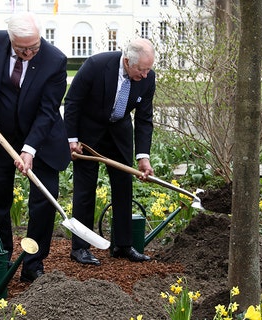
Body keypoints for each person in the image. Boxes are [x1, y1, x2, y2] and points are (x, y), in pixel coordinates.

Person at [0, 11, 70, 283]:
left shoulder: (55, 60)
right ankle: (0, 254)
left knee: (42, 204)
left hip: (42, 140)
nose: (31, 53)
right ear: (11, 39)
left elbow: (48, 111)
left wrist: (30, 149)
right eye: (24, 49)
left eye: (35, 46)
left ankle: (33, 264)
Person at [64, 38, 156, 265]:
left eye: (148, 69)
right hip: (89, 132)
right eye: (142, 69)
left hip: (119, 131)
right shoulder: (96, 65)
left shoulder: (147, 77)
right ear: (127, 61)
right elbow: (73, 101)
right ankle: (80, 248)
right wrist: (72, 138)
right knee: (85, 189)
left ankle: (122, 245)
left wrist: (143, 156)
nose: (145, 75)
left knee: (124, 185)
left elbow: (144, 119)